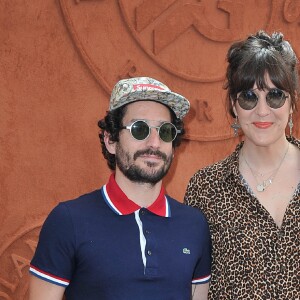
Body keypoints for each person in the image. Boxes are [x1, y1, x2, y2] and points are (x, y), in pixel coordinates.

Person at [29, 76, 211, 300]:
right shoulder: (68, 221)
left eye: (164, 131)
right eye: (139, 129)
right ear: (111, 140)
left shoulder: (194, 225)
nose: (154, 143)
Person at [184, 30, 300, 299]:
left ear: (292, 104)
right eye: (249, 96)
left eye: (275, 96)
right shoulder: (206, 189)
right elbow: (195, 287)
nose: (262, 111)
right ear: (234, 106)